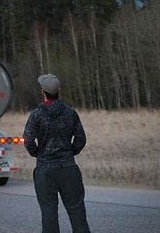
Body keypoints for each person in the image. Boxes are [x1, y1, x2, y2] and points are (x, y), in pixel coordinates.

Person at [23, 73, 91, 233]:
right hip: (68, 168)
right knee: (77, 212)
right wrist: (70, 152)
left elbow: (28, 140)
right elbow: (81, 138)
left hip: (45, 171)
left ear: (42, 92)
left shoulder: (36, 115)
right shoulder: (71, 113)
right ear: (58, 90)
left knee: (49, 213)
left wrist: (38, 154)